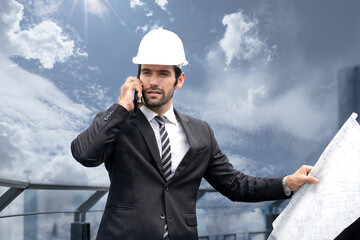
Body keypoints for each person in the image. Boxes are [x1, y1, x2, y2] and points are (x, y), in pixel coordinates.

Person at [71, 28, 319, 240]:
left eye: (163, 73)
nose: (153, 81)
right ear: (137, 77)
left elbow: (235, 185)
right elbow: (84, 154)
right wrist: (122, 106)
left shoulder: (201, 132)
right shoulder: (118, 121)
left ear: (179, 80)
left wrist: (287, 183)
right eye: (147, 72)